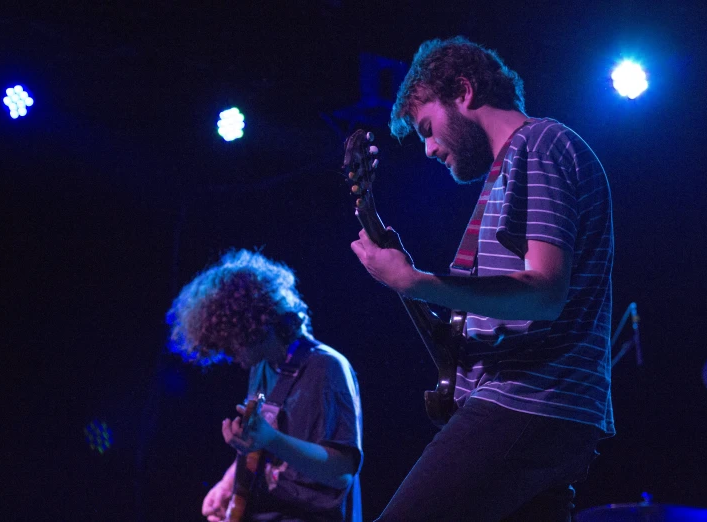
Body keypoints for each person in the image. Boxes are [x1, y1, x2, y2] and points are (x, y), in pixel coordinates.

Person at [350, 36, 614, 521]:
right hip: (548, 410)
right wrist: (411, 283)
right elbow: (504, 312)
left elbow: (546, 293)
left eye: (428, 127)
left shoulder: (538, 145)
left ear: (464, 92)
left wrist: (417, 282)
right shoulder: (514, 165)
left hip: (527, 401)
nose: (428, 148)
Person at [167, 249, 363, 522]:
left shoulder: (326, 367)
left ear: (253, 324)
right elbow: (264, 446)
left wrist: (271, 439)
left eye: (230, 341)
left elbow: (340, 472)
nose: (227, 354)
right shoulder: (262, 367)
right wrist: (229, 483)